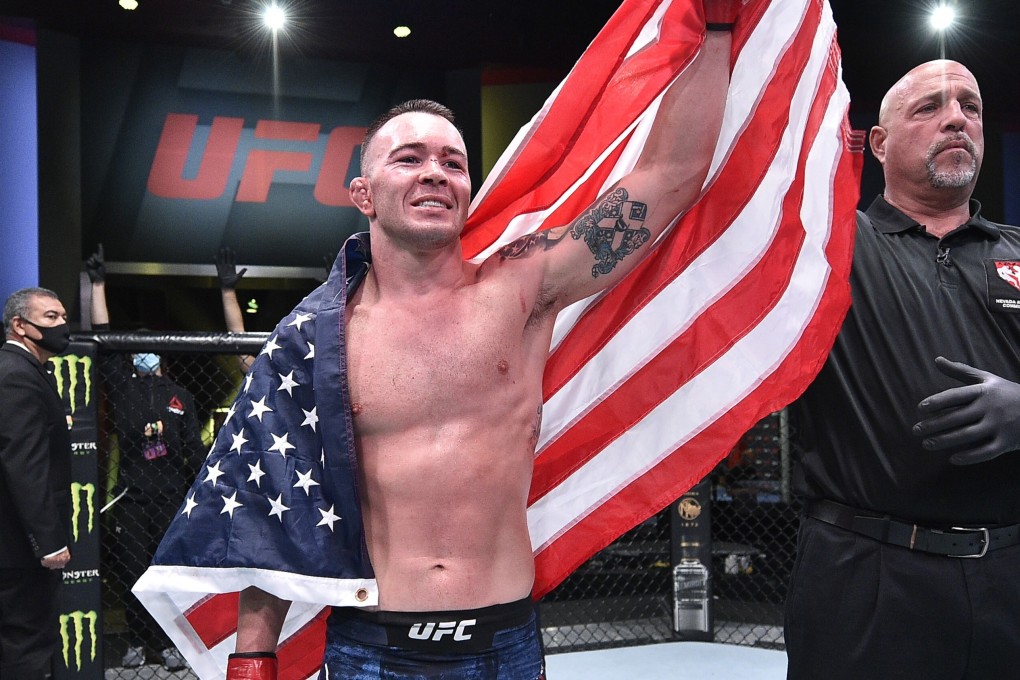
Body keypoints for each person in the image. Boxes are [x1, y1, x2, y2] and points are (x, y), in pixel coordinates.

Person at [144, 3, 739, 678]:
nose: (435, 172)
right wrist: (253, 655)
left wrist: (717, 29)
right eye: (409, 159)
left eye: (452, 163)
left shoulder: (521, 289)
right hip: (373, 647)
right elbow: (272, 504)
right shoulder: (315, 340)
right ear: (363, 194)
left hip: (503, 644)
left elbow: (669, 177)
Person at [785, 59, 1020, 679]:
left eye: (970, 107)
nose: (956, 119)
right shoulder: (824, 247)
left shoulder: (1018, 253)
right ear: (880, 144)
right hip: (864, 577)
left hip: (1010, 574)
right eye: (929, 107)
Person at [84, 248, 207, 672]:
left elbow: (194, 451)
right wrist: (98, 285)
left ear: (160, 352)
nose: (144, 354)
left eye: (149, 347)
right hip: (132, 499)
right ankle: (138, 641)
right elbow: (102, 337)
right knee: (134, 572)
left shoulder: (181, 396)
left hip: (171, 498)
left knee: (168, 575)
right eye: (137, 348)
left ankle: (169, 644)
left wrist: (203, 496)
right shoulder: (123, 387)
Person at [0, 287, 72, 679]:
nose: (62, 325)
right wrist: (48, 540)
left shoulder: (26, 370)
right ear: (20, 325)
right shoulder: (16, 374)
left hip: (15, 540)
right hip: (18, 544)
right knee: (26, 642)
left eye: (63, 317)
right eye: (50, 317)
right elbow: (24, 464)